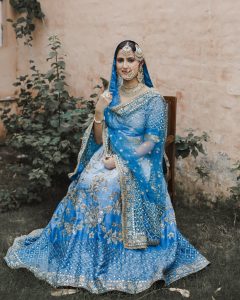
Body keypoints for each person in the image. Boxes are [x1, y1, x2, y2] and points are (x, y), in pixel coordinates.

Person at [4, 40, 210, 296]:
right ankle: (83, 252)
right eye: (120, 60)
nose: (125, 66)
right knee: (86, 183)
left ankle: (114, 256)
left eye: (130, 60)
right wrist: (99, 111)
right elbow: (100, 140)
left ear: (141, 64)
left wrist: (123, 161)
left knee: (110, 187)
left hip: (140, 159)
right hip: (108, 153)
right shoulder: (110, 96)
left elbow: (152, 142)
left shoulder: (153, 99)